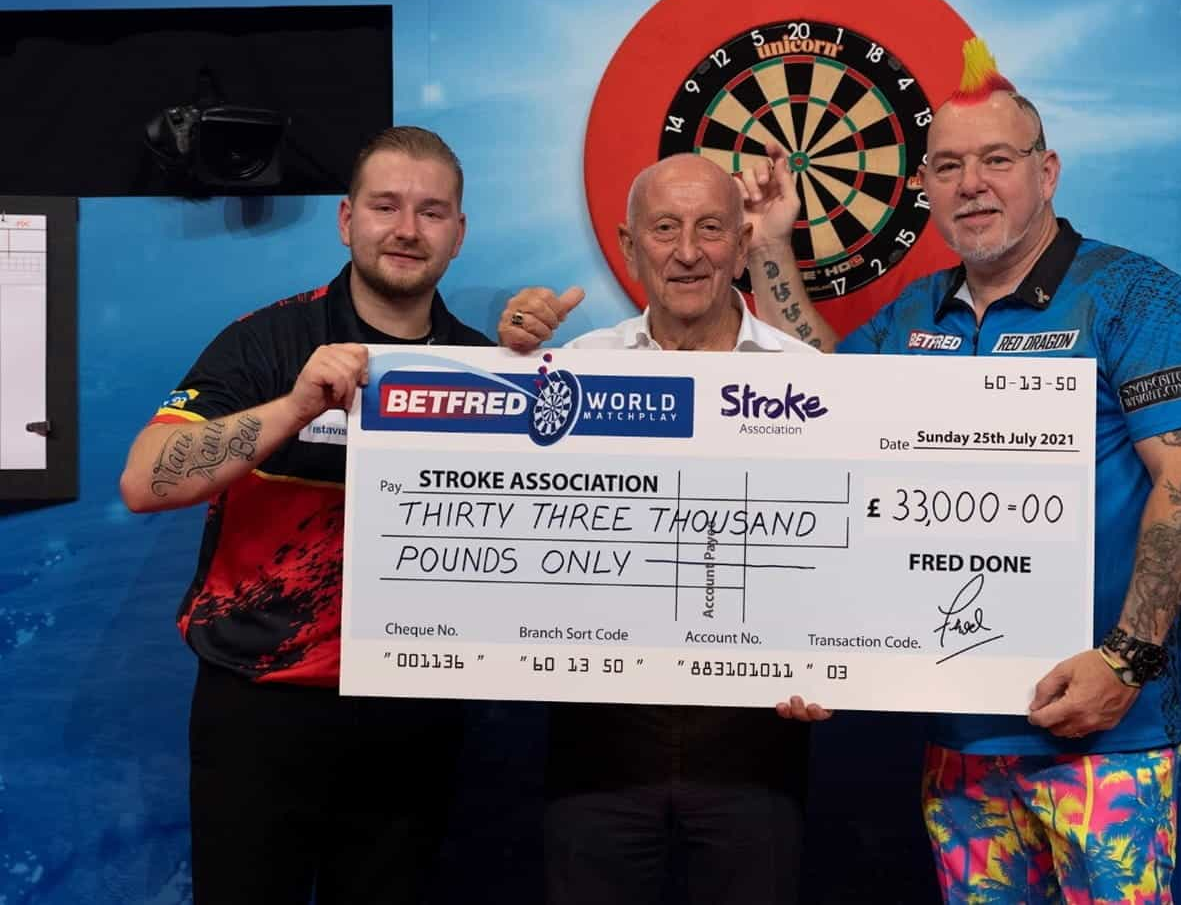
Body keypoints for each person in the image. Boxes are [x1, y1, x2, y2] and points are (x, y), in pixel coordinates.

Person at [742, 39, 1181, 903]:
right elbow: (818, 401)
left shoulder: (1134, 295)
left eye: (997, 160)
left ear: (1048, 172)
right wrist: (773, 245)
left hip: (1104, 739)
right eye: (949, 166)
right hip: (960, 740)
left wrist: (1124, 661)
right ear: (924, 188)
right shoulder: (917, 311)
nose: (972, 184)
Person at [119, 126, 492, 905]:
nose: (406, 229)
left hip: (411, 716)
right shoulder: (264, 342)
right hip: (260, 706)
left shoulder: (484, 367)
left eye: (431, 212)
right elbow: (145, 481)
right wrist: (292, 407)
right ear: (345, 218)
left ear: (458, 234)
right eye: (386, 206)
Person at [498, 153, 830, 905]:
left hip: (757, 745)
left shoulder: (807, 374)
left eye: (711, 228)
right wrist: (505, 362)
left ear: (743, 245)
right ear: (627, 244)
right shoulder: (571, 368)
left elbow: (838, 559)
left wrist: (836, 658)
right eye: (666, 229)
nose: (688, 252)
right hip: (598, 745)